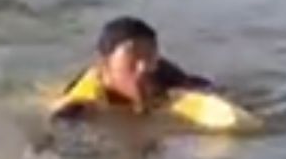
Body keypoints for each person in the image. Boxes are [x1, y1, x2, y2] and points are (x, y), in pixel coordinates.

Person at [50, 16, 217, 120]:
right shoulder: (81, 102)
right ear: (105, 63)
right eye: (132, 57)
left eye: (150, 54)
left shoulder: (160, 71)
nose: (143, 67)